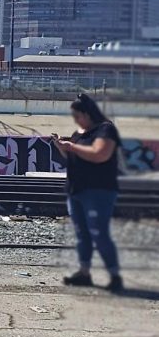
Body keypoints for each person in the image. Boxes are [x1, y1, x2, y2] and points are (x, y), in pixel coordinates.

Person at [52, 93, 124, 292]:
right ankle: (84, 272)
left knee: (99, 233)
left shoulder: (106, 130)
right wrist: (62, 147)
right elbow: (72, 156)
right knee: (82, 234)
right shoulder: (80, 133)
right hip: (76, 189)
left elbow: (100, 154)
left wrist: (72, 146)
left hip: (99, 190)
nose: (76, 119)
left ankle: (114, 275)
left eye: (78, 115)